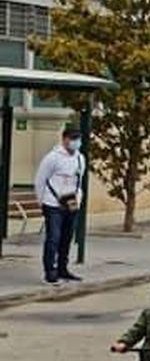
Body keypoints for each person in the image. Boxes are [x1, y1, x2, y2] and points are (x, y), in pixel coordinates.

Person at [34, 122, 86, 284]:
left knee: (66, 237)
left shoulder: (79, 157)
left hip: (70, 201)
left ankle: (63, 269)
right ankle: (50, 271)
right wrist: (41, 200)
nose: (76, 142)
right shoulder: (52, 157)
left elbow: (79, 179)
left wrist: (78, 198)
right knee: (53, 238)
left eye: (78, 139)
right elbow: (40, 180)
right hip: (52, 202)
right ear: (64, 139)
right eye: (73, 138)